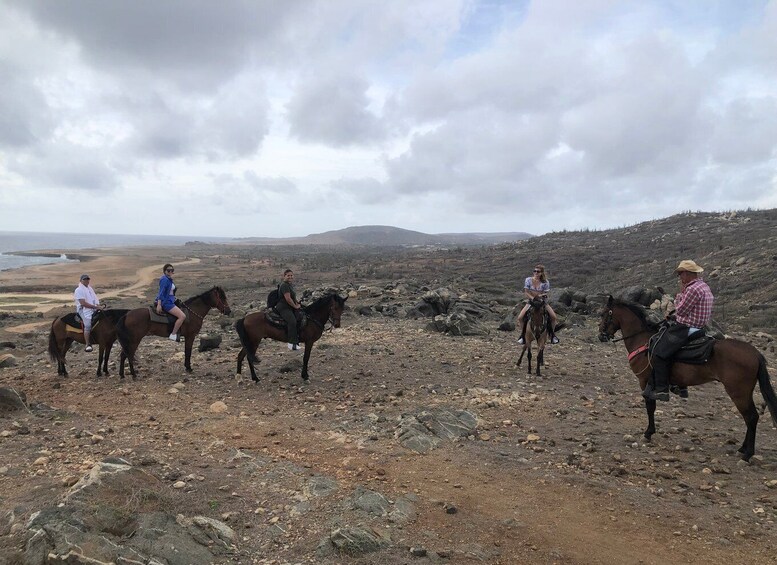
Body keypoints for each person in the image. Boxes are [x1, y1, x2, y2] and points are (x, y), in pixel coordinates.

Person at [643, 259, 714, 402]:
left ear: (688, 273)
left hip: (687, 327)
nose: (680, 277)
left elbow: (681, 310)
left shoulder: (692, 289)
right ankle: (680, 386)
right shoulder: (703, 285)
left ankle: (662, 389)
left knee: (659, 350)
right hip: (699, 325)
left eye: (680, 273)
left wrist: (678, 297)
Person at [517, 264, 559, 344]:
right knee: (520, 317)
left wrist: (538, 296)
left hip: (542, 302)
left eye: (538, 271)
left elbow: (545, 294)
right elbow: (526, 292)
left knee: (553, 317)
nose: (536, 273)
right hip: (531, 301)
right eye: (534, 271)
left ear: (541, 273)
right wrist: (533, 298)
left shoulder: (545, 282)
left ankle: (552, 335)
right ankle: (523, 335)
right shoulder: (528, 280)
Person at [74, 274, 105, 352]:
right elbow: (83, 303)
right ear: (81, 280)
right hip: (83, 309)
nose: (87, 280)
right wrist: (96, 307)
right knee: (87, 325)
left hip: (93, 308)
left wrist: (98, 305)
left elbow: (94, 298)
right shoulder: (79, 290)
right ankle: (87, 344)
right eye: (84, 279)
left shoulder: (89, 288)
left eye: (88, 279)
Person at [156, 263, 186, 342]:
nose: (170, 272)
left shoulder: (169, 279)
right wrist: (159, 304)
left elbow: (169, 291)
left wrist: (173, 297)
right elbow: (161, 292)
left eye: (172, 270)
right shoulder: (164, 280)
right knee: (182, 316)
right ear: (164, 271)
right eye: (168, 270)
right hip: (166, 302)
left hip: (170, 300)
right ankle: (173, 334)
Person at [275, 269, 303, 351]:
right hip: (284, 307)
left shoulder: (290, 285)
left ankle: (298, 339)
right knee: (292, 321)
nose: (290, 277)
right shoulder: (284, 285)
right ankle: (292, 343)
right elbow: (288, 299)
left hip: (290, 306)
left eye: (291, 275)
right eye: (288, 275)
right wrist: (295, 306)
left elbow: (293, 297)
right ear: (284, 276)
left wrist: (297, 303)